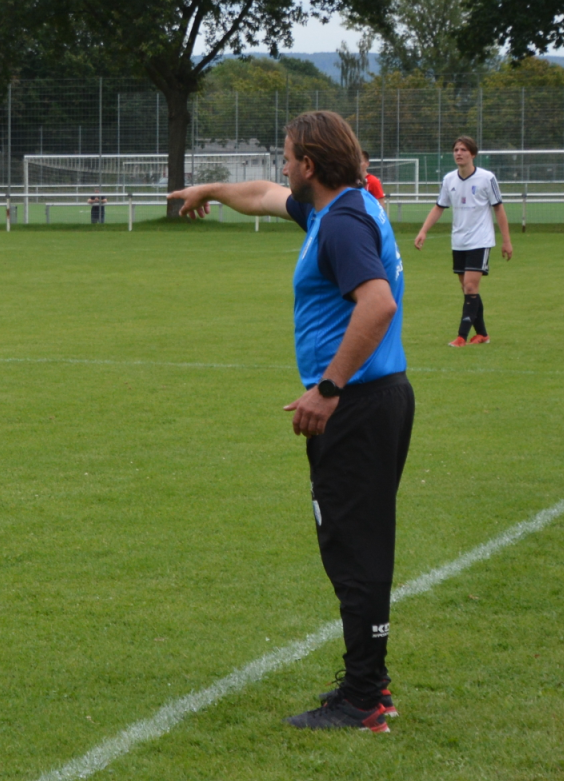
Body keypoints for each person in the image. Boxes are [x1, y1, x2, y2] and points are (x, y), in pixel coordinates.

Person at [169, 110, 412, 734]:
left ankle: (363, 700)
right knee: (358, 545)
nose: (281, 166)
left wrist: (328, 389)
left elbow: (377, 303)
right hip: (377, 400)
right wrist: (211, 192)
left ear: (310, 164)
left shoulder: (343, 225)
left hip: (357, 407)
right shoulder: (336, 209)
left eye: (286, 156)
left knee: (353, 550)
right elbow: (265, 196)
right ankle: (371, 687)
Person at [413, 136, 513, 347]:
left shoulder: (487, 178)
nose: (458, 153)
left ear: (473, 154)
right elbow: (439, 206)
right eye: (456, 149)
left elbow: (499, 209)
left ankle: (461, 337)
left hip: (481, 240)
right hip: (458, 242)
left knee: (469, 287)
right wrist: (423, 231)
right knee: (469, 290)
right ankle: (483, 334)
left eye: (463, 150)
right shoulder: (449, 179)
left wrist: (506, 241)